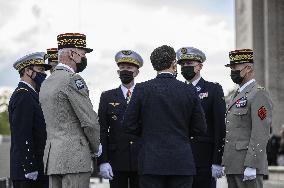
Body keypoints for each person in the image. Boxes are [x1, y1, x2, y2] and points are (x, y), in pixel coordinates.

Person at [123, 45, 207, 188]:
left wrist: (146, 135)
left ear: (154, 65)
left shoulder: (142, 89)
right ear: (173, 63)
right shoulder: (188, 90)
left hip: (151, 162)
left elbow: (128, 125)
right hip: (181, 162)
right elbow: (200, 128)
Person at [39, 33, 100, 188]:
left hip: (53, 159)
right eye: (82, 54)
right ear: (72, 54)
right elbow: (89, 122)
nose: (83, 58)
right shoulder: (73, 79)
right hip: (75, 159)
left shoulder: (46, 83)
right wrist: (95, 146)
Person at [222, 49, 273, 188]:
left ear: (248, 68)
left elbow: (261, 132)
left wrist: (252, 164)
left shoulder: (258, 94)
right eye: (231, 67)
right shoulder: (236, 94)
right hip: (233, 164)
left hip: (247, 165)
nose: (232, 71)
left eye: (235, 67)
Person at [176, 47, 226, 188]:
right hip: (179, 158)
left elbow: (220, 127)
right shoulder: (176, 90)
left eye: (190, 64)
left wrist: (217, 160)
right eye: (183, 64)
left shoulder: (213, 90)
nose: (186, 67)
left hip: (204, 159)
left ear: (199, 66)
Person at [98, 50, 143, 188]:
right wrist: (103, 161)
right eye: (122, 68)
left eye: (129, 68)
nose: (125, 71)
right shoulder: (107, 96)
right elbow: (102, 130)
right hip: (116, 159)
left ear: (136, 72)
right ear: (118, 72)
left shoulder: (145, 94)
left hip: (141, 159)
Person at [9, 52, 51, 188]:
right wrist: (29, 166)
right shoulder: (23, 95)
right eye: (40, 70)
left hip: (37, 168)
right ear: (27, 71)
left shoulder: (33, 94)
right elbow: (22, 133)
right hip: (27, 172)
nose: (44, 74)